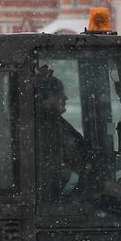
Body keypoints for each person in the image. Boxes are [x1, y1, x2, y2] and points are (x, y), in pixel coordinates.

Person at [34, 69, 86, 201]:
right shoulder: (41, 128)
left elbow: (82, 149)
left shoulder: (56, 122)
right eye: (59, 93)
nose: (66, 97)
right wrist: (96, 186)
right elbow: (53, 171)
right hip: (58, 202)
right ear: (45, 98)